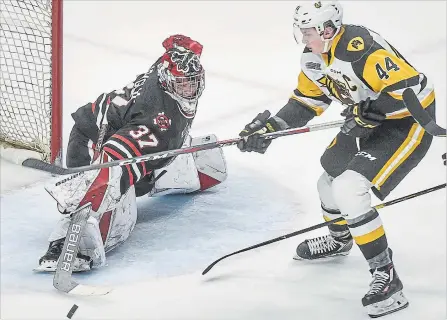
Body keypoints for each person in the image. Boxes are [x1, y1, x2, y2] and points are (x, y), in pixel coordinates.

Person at [237, 1, 436, 318]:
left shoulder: (360, 49)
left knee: (348, 188)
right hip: (367, 118)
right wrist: (271, 128)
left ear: (328, 29)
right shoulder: (313, 57)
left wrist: (375, 112)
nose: (304, 38)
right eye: (301, 31)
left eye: (308, 32)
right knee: (328, 178)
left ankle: (387, 278)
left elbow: (412, 91)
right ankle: (340, 239)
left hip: (406, 122)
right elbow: (309, 100)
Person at [35, 34, 227, 273]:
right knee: (106, 190)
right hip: (91, 140)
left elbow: (179, 49)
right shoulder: (154, 123)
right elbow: (114, 164)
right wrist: (91, 196)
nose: (189, 90)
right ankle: (70, 242)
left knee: (161, 155)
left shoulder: (166, 67)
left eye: (193, 82)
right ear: (167, 81)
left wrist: (182, 46)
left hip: (127, 127)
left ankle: (172, 170)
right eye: (182, 84)